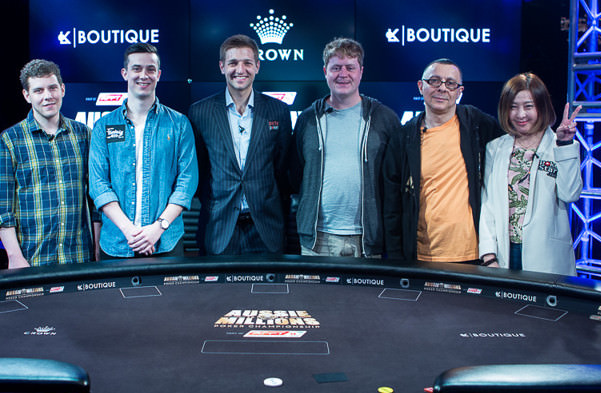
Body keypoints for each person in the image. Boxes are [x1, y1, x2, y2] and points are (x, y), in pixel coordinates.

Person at [383, 58, 503, 263]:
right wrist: (396, 258)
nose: (442, 88)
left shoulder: (477, 124)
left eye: (450, 83)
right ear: (420, 86)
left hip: (473, 255)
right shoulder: (402, 138)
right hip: (420, 257)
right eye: (435, 81)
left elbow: (516, 138)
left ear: (459, 91)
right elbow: (391, 205)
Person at [293, 37, 400, 258]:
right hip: (317, 240)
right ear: (325, 71)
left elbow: (395, 179)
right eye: (336, 68)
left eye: (350, 67)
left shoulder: (384, 118)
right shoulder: (307, 119)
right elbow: (295, 172)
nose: (343, 74)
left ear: (361, 72)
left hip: (368, 241)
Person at [89, 43, 198, 258]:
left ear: (159, 74)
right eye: (136, 69)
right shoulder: (103, 126)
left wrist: (158, 228)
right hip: (117, 243)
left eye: (150, 69)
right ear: (125, 73)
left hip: (166, 243)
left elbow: (186, 182)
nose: (143, 75)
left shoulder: (179, 124)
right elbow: (98, 185)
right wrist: (131, 232)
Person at [188, 34, 292, 255]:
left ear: (257, 66)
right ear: (222, 67)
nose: (240, 70)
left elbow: (282, 170)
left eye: (247, 63)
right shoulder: (200, 112)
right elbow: (199, 171)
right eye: (233, 63)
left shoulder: (279, 111)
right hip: (219, 227)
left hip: (266, 228)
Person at [0, 59, 98, 268]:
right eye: (38, 90)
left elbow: (95, 200)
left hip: (79, 258)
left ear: (62, 89)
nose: (47, 96)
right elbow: (1, 208)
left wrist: (96, 250)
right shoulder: (10, 140)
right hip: (31, 260)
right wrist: (14, 257)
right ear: (26, 95)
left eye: (52, 88)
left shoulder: (84, 135)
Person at [478, 73, 582, 275]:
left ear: (542, 107)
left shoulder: (559, 146)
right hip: (505, 254)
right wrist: (488, 255)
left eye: (528, 106)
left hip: (548, 258)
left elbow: (570, 194)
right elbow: (488, 204)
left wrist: (565, 145)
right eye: (513, 107)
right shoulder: (495, 148)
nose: (520, 114)